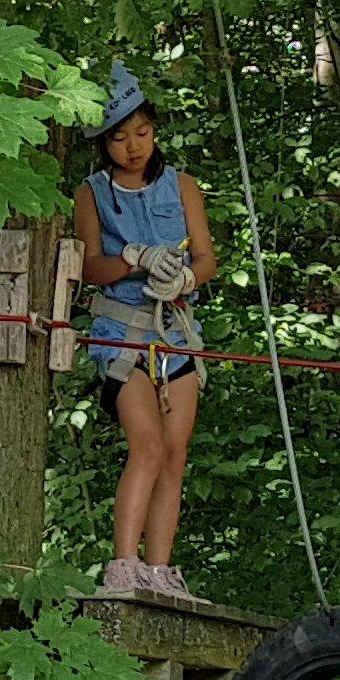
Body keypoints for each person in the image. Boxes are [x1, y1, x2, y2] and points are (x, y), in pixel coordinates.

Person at [75, 62, 219, 598]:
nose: (134, 147)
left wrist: (185, 277)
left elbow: (206, 257)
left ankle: (161, 571)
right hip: (120, 332)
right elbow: (90, 266)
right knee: (149, 445)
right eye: (120, 138)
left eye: (142, 132)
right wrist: (133, 258)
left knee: (175, 453)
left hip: (176, 331)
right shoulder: (91, 194)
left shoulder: (182, 186)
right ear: (103, 144)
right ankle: (123, 565)